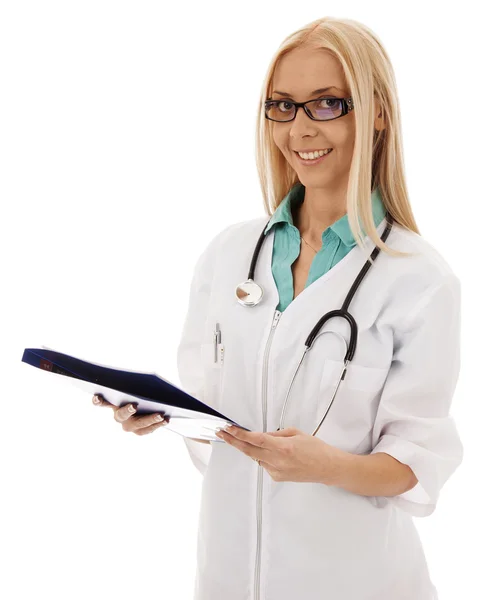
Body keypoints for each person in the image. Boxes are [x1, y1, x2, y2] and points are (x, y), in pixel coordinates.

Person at [95, 16, 463, 600]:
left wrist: (325, 465)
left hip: (357, 581)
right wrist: (162, 415)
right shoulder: (228, 255)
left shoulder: (418, 278)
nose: (299, 129)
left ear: (376, 114)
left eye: (326, 105)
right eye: (282, 106)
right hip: (227, 576)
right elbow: (211, 421)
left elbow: (415, 466)